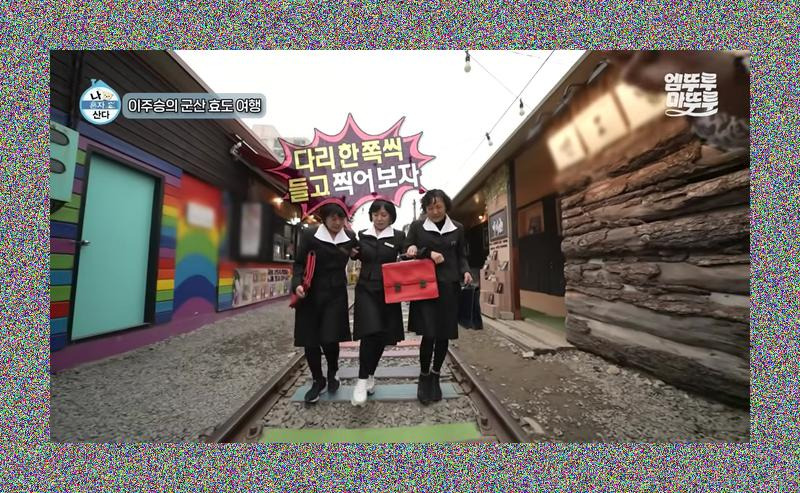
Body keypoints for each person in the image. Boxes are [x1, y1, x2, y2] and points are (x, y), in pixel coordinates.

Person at [404, 189, 473, 404]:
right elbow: (407, 249)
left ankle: (435, 376)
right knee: (429, 334)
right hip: (424, 288)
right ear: (425, 209)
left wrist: (465, 271)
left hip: (449, 288)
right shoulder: (417, 227)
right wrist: (426, 252)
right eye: (430, 207)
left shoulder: (458, 228)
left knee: (444, 335)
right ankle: (424, 376)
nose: (434, 211)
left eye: (438, 207)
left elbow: (461, 255)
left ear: (446, 206)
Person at [292, 203, 358, 404]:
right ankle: (317, 380)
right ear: (324, 219)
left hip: (336, 294)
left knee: (331, 338)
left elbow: (362, 253)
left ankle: (332, 372)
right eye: (333, 218)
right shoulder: (310, 235)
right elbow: (299, 263)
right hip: (310, 293)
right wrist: (297, 285)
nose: (337, 222)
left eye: (341, 218)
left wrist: (357, 254)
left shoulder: (350, 237)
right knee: (310, 340)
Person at [350, 199, 406, 406]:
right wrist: (353, 253)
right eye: (375, 215)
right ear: (371, 216)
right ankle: (361, 380)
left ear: (391, 217)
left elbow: (408, 254)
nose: (379, 219)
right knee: (369, 332)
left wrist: (411, 252)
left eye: (384, 215)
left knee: (382, 335)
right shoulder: (362, 235)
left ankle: (370, 374)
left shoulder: (398, 236)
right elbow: (354, 252)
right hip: (366, 289)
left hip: (389, 290)